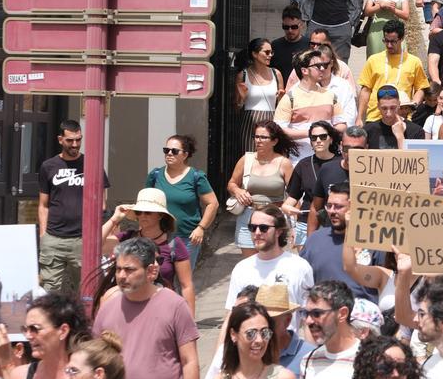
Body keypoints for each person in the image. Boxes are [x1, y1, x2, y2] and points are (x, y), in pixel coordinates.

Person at [92, 237, 200, 379]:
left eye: (130, 270)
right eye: (118, 269)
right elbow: (95, 361)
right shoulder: (108, 307)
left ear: (151, 271)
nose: (122, 276)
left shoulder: (175, 305)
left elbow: (190, 361)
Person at [38, 119, 109, 294]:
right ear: (60, 139)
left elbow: (102, 204)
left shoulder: (93, 165)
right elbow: (43, 205)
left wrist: (94, 234)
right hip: (54, 238)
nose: (75, 144)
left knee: (87, 290)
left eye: (78, 139)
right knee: (49, 291)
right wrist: (43, 235)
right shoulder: (48, 166)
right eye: (70, 140)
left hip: (82, 239)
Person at [102, 188, 196, 314]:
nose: (142, 216)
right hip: (127, 309)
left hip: (163, 310)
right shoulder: (127, 238)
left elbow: (187, 285)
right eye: (139, 212)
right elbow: (95, 244)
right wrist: (115, 219)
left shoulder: (174, 244)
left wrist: (190, 321)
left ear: (161, 215)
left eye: (148, 212)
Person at [225, 206, 315, 317]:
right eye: (252, 227)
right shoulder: (241, 269)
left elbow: (309, 314)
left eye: (264, 228)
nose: (257, 232)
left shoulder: (300, 267)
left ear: (278, 231)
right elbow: (231, 313)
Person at [228, 121, 297, 257]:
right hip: (248, 215)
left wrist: (294, 226)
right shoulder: (246, 159)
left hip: (273, 216)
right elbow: (232, 183)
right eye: (256, 136)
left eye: (263, 137)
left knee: (272, 261)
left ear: (274, 141)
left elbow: (294, 194)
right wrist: (238, 191)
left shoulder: (284, 163)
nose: (258, 140)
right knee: (250, 263)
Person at [148, 134, 218, 263]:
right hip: (158, 236)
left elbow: (212, 204)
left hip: (187, 238)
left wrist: (201, 228)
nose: (169, 153)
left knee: (183, 281)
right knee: (160, 277)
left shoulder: (196, 177)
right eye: (166, 150)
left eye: (174, 151)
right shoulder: (155, 175)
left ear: (185, 155)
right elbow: (146, 204)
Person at [357, 21, 430, 124]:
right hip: (375, 118)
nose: (389, 45)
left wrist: (413, 105)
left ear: (401, 39)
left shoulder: (414, 61)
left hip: (402, 118)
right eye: (386, 41)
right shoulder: (373, 60)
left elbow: (421, 88)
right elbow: (366, 90)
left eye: (393, 41)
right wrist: (360, 117)